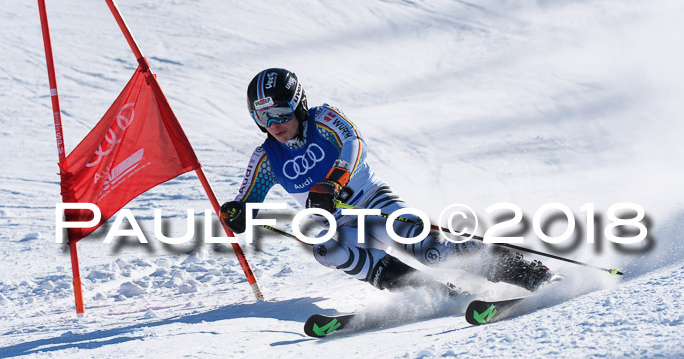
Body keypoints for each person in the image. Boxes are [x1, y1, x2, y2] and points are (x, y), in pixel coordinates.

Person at [220, 68, 552, 294]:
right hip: (340, 224)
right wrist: (236, 213)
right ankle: (426, 292)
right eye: (264, 117)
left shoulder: (323, 119)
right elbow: (247, 201)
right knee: (326, 249)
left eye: (280, 113)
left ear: (298, 105)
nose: (274, 124)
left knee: (428, 251)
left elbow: (353, 143)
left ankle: (526, 272)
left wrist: (333, 184)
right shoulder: (266, 157)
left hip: (372, 202)